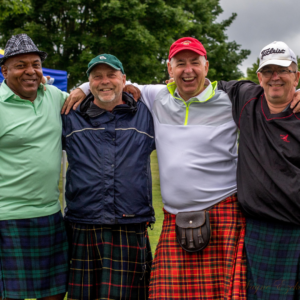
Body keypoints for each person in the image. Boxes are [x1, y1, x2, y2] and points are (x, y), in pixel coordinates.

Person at [66, 38, 247, 299]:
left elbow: (274, 99)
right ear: (169, 69)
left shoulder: (229, 100)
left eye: (195, 62)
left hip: (223, 212)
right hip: (174, 217)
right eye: (180, 63)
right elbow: (110, 84)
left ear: (206, 66)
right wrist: (84, 87)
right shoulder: (155, 96)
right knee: (163, 294)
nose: (188, 70)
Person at [61, 54, 155, 299]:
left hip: (130, 223)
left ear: (124, 79)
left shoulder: (147, 114)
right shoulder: (70, 114)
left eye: (111, 75)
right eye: (97, 77)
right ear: (88, 82)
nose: (105, 82)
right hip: (83, 223)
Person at [217, 41, 300, 300]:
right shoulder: (246, 97)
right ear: (259, 77)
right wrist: (86, 86)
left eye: (283, 70)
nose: (275, 77)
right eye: (268, 71)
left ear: (296, 76)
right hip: (260, 230)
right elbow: (198, 84)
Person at [0, 34, 69, 300]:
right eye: (20, 65)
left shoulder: (53, 96)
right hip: (7, 217)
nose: (31, 71)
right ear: (4, 70)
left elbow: (90, 99)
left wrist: (128, 87)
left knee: (54, 293)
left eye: (36, 64)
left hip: (50, 214)